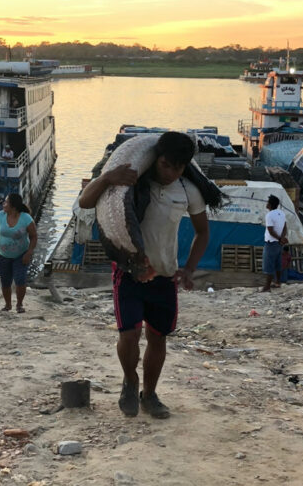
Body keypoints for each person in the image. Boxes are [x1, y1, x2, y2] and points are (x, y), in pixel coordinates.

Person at [78, 131, 214, 419]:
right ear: (156, 159)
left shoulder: (188, 190)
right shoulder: (131, 181)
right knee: (129, 334)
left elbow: (202, 232)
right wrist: (106, 178)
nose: (170, 172)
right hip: (129, 272)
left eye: (177, 167)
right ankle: (130, 379)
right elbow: (85, 202)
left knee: (158, 338)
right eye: (165, 165)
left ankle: (149, 395)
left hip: (164, 275)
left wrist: (189, 267)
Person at [0, 193, 37, 313]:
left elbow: (34, 236)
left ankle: (19, 304)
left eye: (6, 202)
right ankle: (8, 305)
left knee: (20, 280)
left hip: (21, 255)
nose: (4, 204)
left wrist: (29, 253)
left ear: (13, 206)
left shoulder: (26, 218)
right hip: (3, 255)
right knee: (5, 281)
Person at [261, 195, 287, 292]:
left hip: (271, 242)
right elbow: (285, 227)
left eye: (267, 202)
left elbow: (270, 231)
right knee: (277, 263)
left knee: (269, 264)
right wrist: (282, 238)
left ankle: (267, 287)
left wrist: (280, 238)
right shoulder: (282, 213)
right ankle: (278, 282)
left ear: (270, 204)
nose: (266, 204)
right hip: (279, 243)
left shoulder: (269, 215)